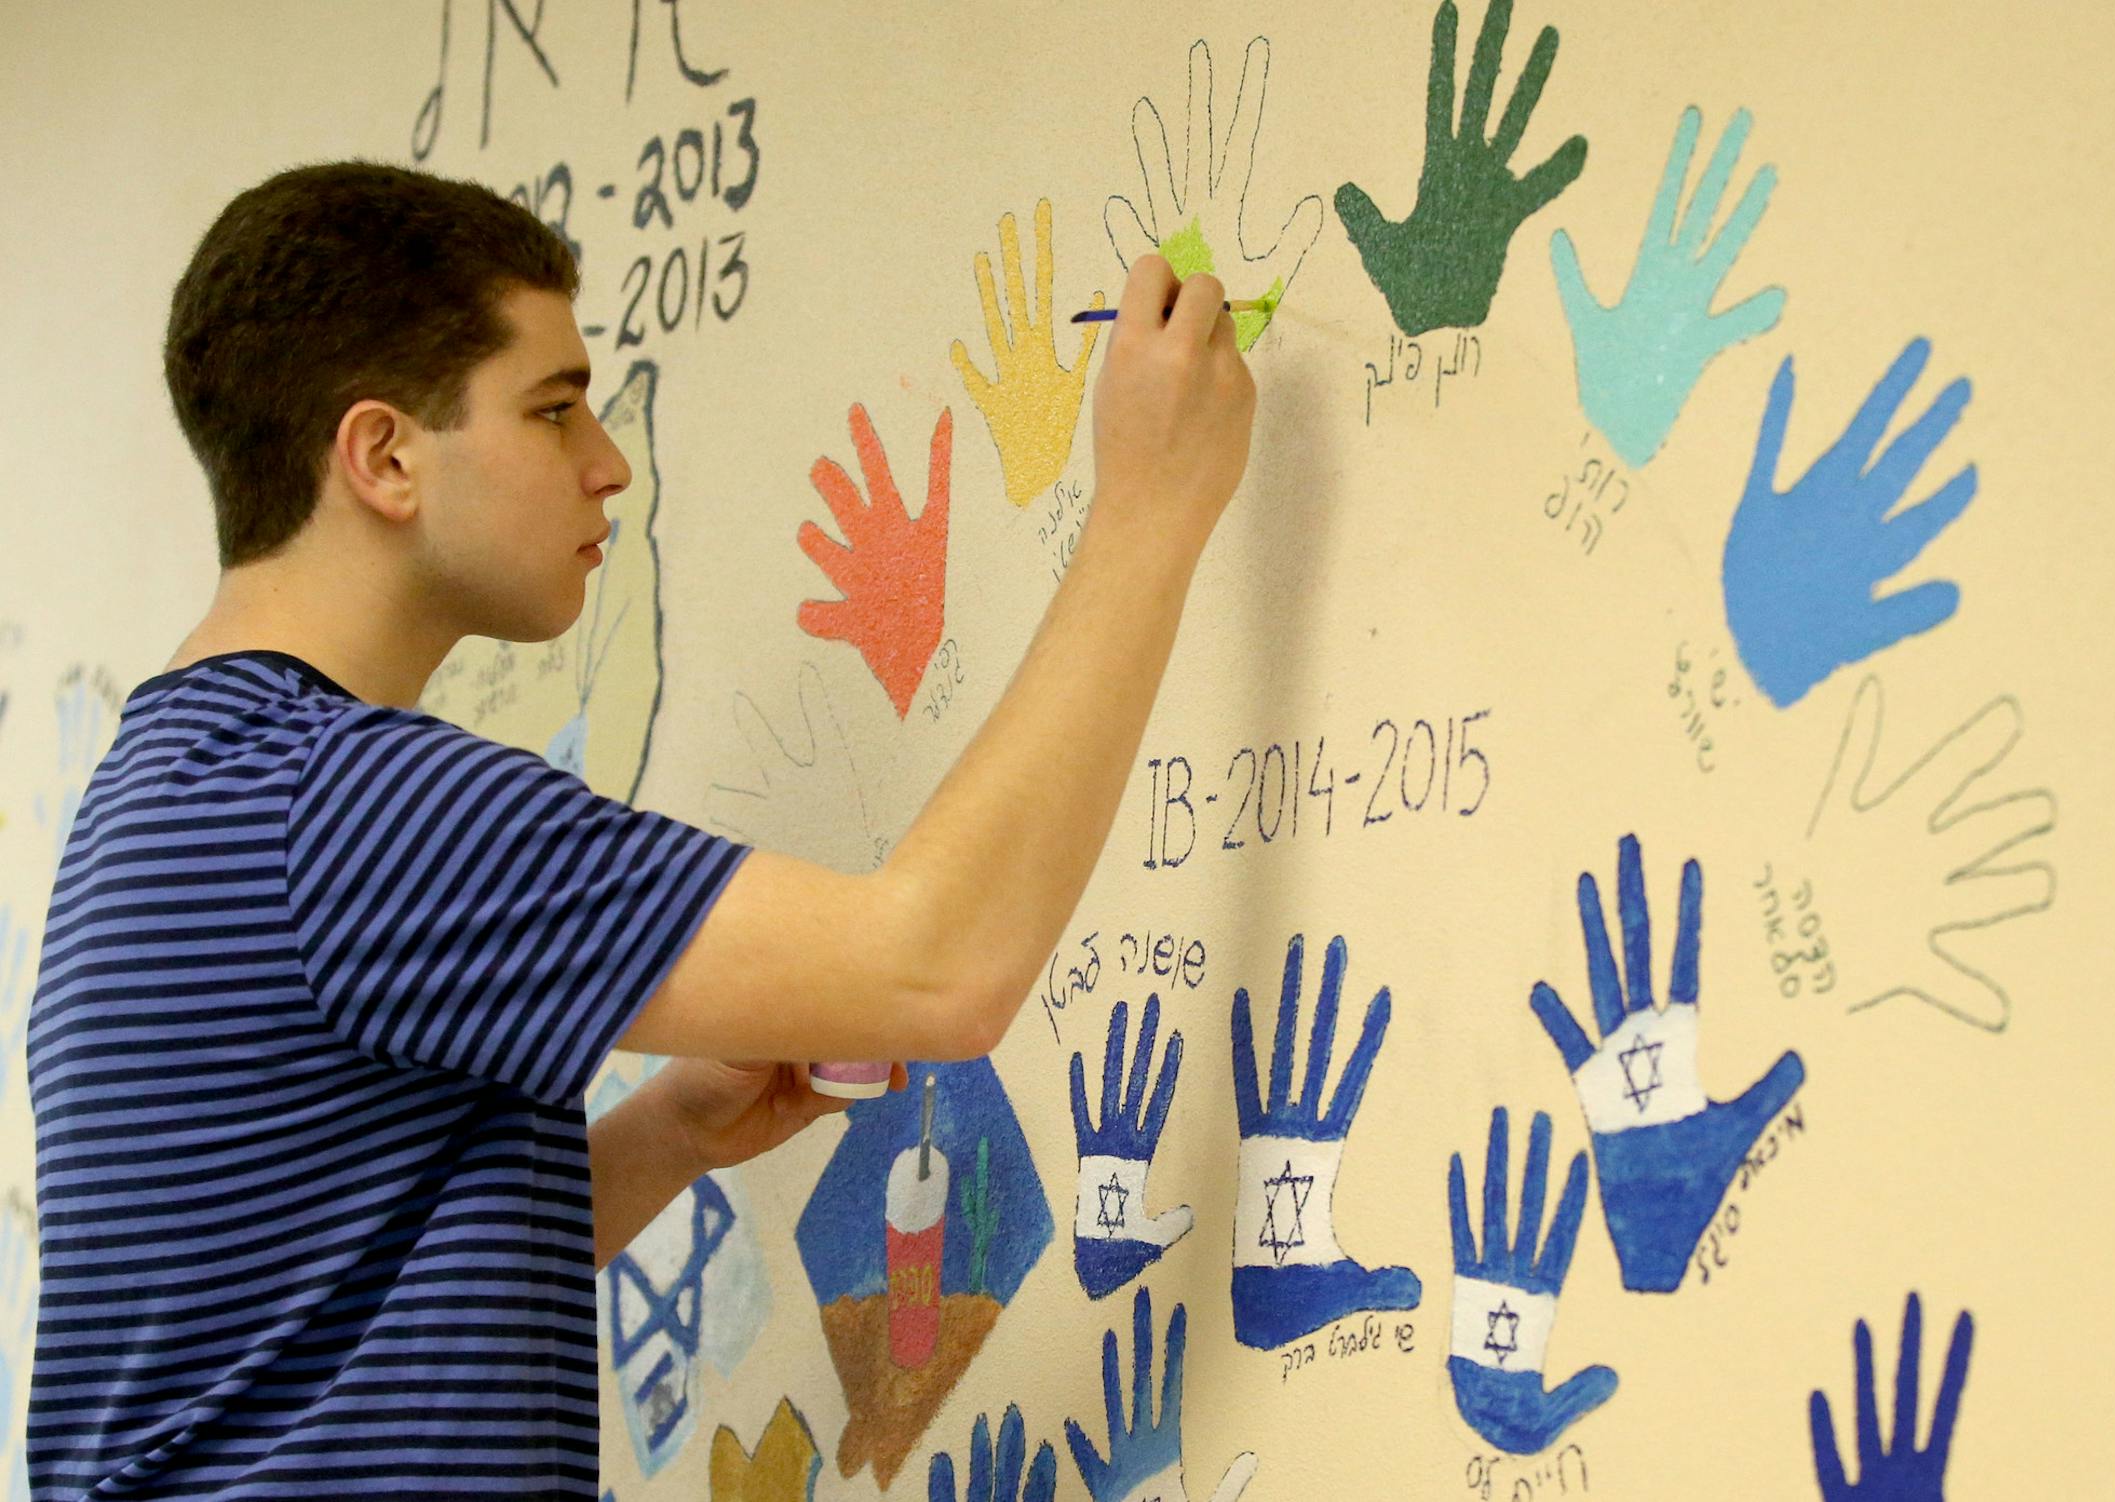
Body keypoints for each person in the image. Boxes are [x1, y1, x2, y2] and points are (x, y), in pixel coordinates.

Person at [25, 160, 1254, 1497]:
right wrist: (1147, 507)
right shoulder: (349, 804)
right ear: (383, 456)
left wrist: (671, 1129)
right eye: (553, 411)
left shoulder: (178, 780)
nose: (607, 463)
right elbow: (940, 966)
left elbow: (303, 1319)